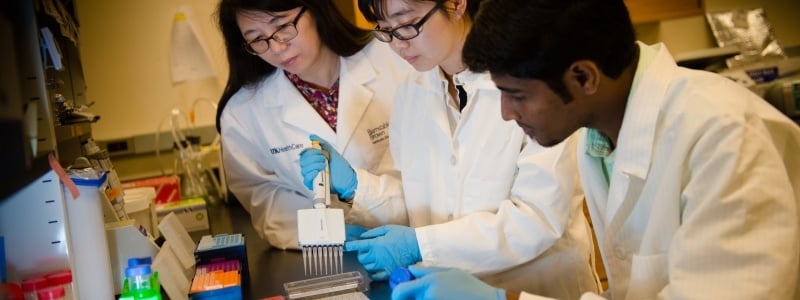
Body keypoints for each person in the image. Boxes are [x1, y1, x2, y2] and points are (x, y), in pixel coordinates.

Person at [390, 0, 800, 299]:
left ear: (583, 77)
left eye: (516, 95)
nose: (506, 113)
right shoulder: (598, 139)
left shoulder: (723, 136)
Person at [299, 0, 598, 298]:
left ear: (456, 4)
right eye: (386, 31)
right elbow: (415, 198)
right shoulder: (411, 91)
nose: (398, 45)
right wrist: (356, 187)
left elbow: (537, 218)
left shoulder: (529, 81)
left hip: (535, 289)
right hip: (441, 289)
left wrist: (421, 244)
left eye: (406, 25)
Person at [215, 0, 413, 249]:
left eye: (283, 26)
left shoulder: (396, 57)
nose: (276, 47)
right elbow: (263, 197)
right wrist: (326, 230)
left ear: (315, 9)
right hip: (333, 254)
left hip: (420, 237)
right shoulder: (243, 113)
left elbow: (435, 175)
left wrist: (357, 189)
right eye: (257, 39)